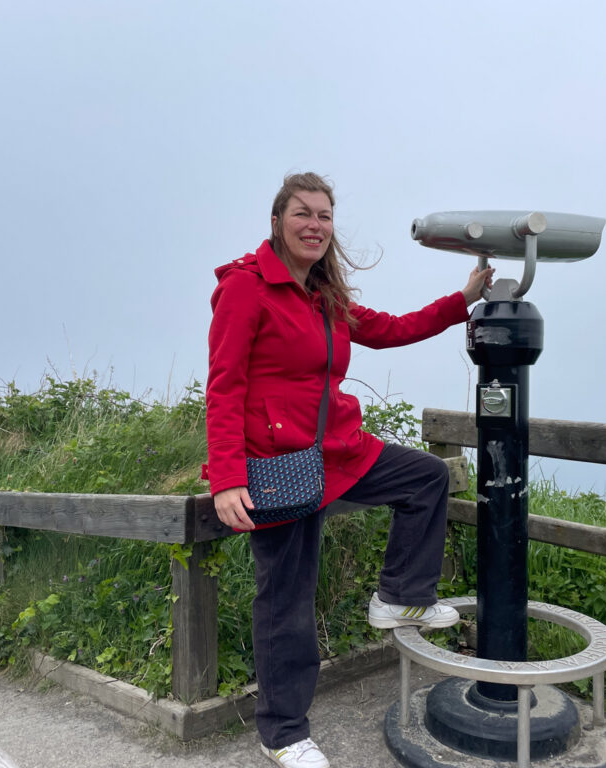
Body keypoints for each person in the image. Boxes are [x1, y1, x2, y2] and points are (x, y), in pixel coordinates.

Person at [204, 172, 492, 768]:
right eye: (302, 213)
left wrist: (461, 300)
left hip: (341, 451)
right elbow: (225, 385)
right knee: (287, 602)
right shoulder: (247, 288)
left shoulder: (324, 296)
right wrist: (228, 477)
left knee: (426, 477)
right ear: (277, 222)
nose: (315, 225)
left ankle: (399, 597)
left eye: (325, 216)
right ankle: (283, 733)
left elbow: (392, 329)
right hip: (279, 465)